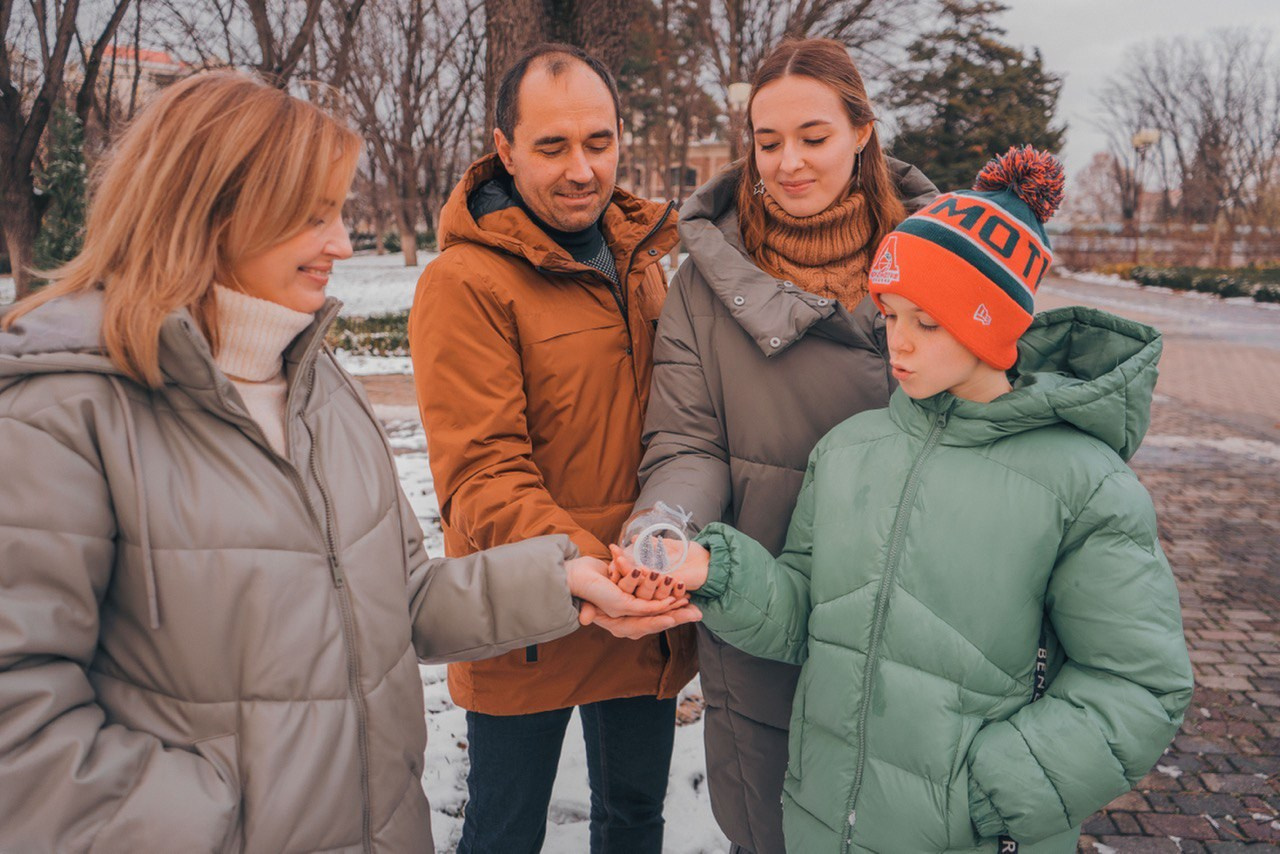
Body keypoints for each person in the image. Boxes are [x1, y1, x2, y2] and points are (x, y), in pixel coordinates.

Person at [0, 71, 687, 854]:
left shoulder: (317, 386)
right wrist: (221, 824)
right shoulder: (61, 411)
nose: (342, 243)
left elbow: (400, 602)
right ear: (209, 210)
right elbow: (20, 732)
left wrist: (562, 579)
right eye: (312, 216)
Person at [617, 147, 1195, 852]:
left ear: (992, 324)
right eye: (891, 316)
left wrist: (991, 791)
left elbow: (1140, 685)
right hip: (825, 827)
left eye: (930, 322)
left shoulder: (1084, 485)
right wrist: (718, 572)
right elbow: (808, 613)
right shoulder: (851, 449)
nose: (901, 345)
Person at [631, 37, 937, 854]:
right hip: (765, 621)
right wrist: (662, 526)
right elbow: (687, 442)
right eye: (769, 143)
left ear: (863, 131)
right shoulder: (701, 287)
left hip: (935, 622)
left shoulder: (941, 257)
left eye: (815, 136)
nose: (789, 163)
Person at [408, 44, 699, 854]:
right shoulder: (465, 283)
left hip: (638, 603)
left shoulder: (640, 262)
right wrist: (597, 573)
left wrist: (647, 562)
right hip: (527, 609)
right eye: (552, 147)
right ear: (503, 149)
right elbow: (481, 476)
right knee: (505, 833)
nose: (582, 170)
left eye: (598, 143)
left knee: (636, 818)